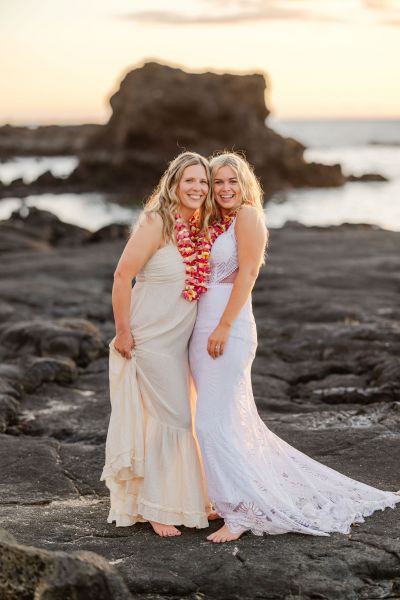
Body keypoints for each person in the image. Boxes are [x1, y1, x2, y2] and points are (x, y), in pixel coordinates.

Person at [189, 151, 400, 543]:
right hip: (200, 330)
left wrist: (222, 326)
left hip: (227, 329)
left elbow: (248, 273)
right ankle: (228, 495)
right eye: (217, 182)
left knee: (209, 422)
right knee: (227, 420)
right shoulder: (214, 222)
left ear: (245, 183)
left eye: (232, 181)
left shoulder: (249, 216)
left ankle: (241, 512)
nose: (224, 189)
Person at [100, 151, 213, 537]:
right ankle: (154, 507)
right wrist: (123, 330)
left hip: (180, 343)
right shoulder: (156, 222)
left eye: (203, 182)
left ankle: (187, 499)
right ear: (174, 183)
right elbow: (121, 275)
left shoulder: (199, 228)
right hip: (149, 339)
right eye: (190, 180)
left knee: (182, 418)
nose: (197, 188)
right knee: (174, 419)